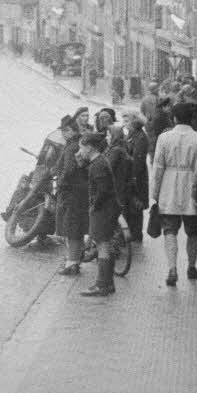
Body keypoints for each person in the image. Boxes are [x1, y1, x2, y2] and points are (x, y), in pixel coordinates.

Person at [150, 101, 197, 287]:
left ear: (174, 118)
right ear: (191, 118)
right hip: (191, 185)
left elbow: (157, 167)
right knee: (193, 231)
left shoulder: (164, 138)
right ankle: (191, 266)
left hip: (169, 186)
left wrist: (155, 193)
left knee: (170, 229)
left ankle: (172, 268)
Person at [80, 132, 119, 297]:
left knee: (102, 245)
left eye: (81, 148)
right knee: (106, 244)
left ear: (89, 148)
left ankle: (101, 285)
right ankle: (108, 283)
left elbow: (102, 191)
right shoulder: (100, 161)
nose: (80, 151)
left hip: (103, 210)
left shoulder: (97, 165)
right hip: (108, 208)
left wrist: (94, 206)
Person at [54, 116, 89, 276]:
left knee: (72, 229)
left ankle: (71, 263)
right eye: (63, 130)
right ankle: (75, 260)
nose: (63, 133)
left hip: (71, 193)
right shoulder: (78, 144)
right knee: (78, 228)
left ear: (72, 131)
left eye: (65, 130)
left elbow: (69, 170)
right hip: (81, 192)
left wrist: (60, 183)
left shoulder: (71, 147)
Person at [121, 112, 151, 242]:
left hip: (136, 177)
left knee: (136, 205)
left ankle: (136, 234)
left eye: (127, 120)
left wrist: (132, 177)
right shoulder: (132, 135)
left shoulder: (140, 137)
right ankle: (132, 233)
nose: (124, 123)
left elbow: (137, 161)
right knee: (131, 205)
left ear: (134, 122)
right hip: (132, 176)